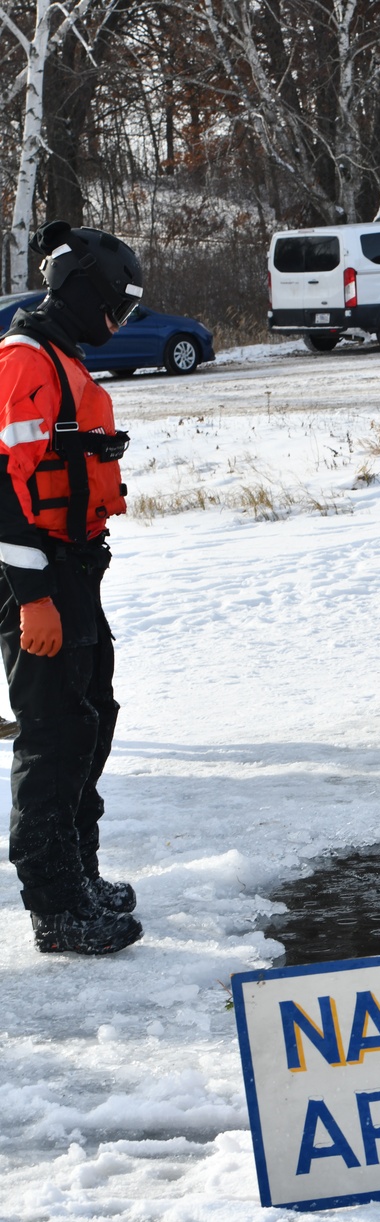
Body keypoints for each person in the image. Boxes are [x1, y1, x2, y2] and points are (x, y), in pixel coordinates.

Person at [0, 220, 144, 954]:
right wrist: (32, 599)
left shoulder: (61, 356)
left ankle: (79, 874)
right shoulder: (24, 361)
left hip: (74, 569)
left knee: (92, 717)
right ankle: (55, 907)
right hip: (38, 576)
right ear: (81, 292)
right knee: (53, 735)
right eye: (116, 305)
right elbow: (2, 489)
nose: (119, 321)